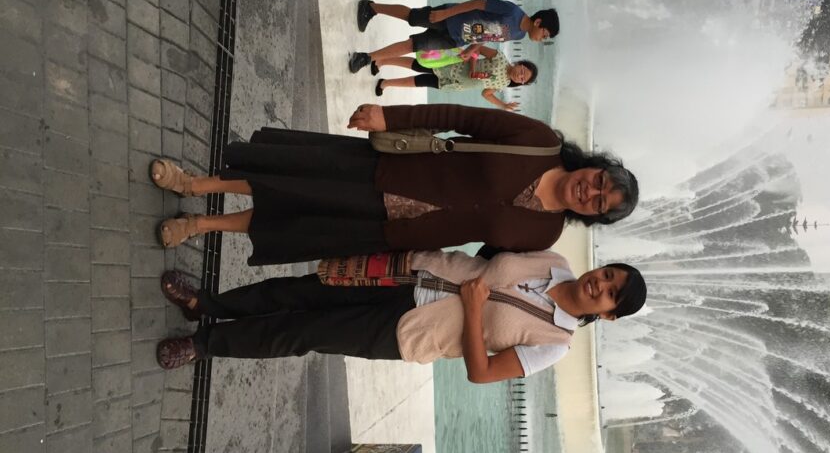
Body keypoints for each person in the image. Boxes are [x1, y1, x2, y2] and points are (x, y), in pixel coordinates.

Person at [151, 103, 639, 265]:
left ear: (593, 216)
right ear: (594, 166)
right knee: (288, 183)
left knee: (294, 222)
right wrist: (391, 116)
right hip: (389, 172)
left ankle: (201, 226)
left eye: (599, 203)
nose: (590, 192)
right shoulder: (539, 142)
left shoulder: (545, 235)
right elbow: (461, 117)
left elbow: (480, 265)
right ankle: (194, 185)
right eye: (599, 181)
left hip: (393, 232)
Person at [154, 250, 647, 384]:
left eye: (610, 295)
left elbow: (481, 373)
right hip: (407, 273)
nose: (600, 284)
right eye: (608, 275)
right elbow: (491, 249)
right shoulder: (554, 260)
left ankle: (204, 345)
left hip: (408, 332)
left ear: (608, 316)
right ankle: (206, 305)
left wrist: (475, 310)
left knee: (304, 331)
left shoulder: (554, 345)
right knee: (297, 289)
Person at [348, 0, 559, 74]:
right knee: (411, 17)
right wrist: (446, 13)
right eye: (544, 34)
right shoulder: (512, 12)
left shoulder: (519, 34)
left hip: (456, 39)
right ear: (538, 22)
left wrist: (471, 49)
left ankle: (367, 57)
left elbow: (490, 35)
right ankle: (372, 7)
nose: (542, 39)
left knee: (413, 45)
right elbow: (477, 3)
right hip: (451, 18)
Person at [373, 47, 537, 111]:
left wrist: (503, 105)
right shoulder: (500, 57)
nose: (520, 76)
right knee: (418, 65)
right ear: (519, 64)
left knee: (420, 82)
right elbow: (477, 48)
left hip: (455, 84)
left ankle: (386, 83)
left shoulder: (504, 83)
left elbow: (486, 93)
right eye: (522, 71)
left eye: (523, 79)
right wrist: (473, 69)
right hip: (453, 66)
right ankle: (383, 61)